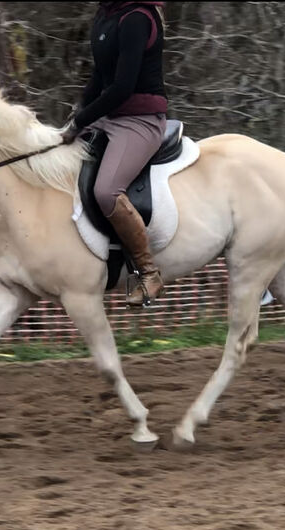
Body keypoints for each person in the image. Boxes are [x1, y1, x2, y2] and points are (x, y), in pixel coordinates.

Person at [61, 1, 168, 307]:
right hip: (108, 116)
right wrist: (79, 112)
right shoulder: (106, 15)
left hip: (140, 120)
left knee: (107, 191)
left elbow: (122, 87)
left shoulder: (137, 18)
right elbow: (100, 76)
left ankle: (148, 272)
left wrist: (82, 121)